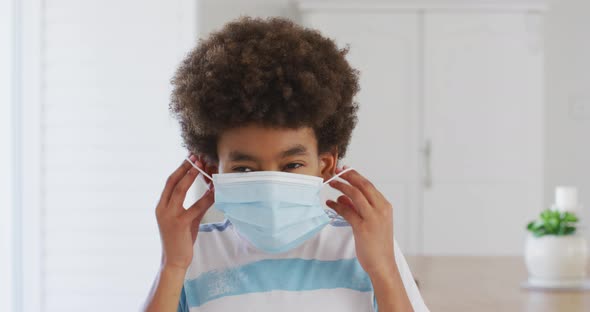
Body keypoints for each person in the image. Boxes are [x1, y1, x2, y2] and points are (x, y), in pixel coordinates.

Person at [143, 16, 429, 312]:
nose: (269, 185)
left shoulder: (365, 247)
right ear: (214, 171)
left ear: (325, 164)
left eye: (292, 165)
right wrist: (173, 265)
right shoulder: (191, 253)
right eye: (244, 169)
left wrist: (383, 269)